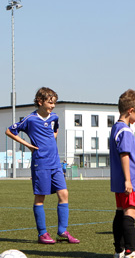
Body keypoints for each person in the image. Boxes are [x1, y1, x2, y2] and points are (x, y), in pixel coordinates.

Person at [6, 87, 80, 244]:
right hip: (41, 163)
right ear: (40, 102)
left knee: (64, 194)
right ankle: (42, 234)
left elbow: (55, 129)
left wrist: (51, 141)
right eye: (50, 102)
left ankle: (62, 231)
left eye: (54, 103)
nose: (53, 106)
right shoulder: (30, 119)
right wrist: (28, 145)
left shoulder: (54, 117)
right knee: (40, 197)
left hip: (55, 163)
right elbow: (9, 131)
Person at [109, 89, 135, 258]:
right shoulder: (124, 131)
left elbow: (133, 150)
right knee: (130, 213)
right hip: (129, 179)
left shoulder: (117, 128)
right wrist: (128, 179)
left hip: (119, 180)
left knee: (120, 213)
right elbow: (125, 155)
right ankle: (130, 251)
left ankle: (119, 250)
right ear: (130, 111)